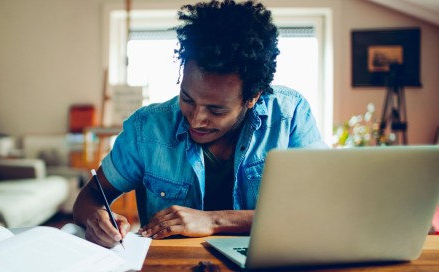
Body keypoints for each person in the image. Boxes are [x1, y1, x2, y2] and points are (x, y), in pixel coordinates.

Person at [73, 0, 326, 248]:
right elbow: (90, 198)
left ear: (253, 97)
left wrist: (215, 220)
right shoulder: (146, 129)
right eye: (187, 98)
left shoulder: (289, 116)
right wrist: (97, 218)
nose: (196, 118)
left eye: (216, 110)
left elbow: (321, 212)